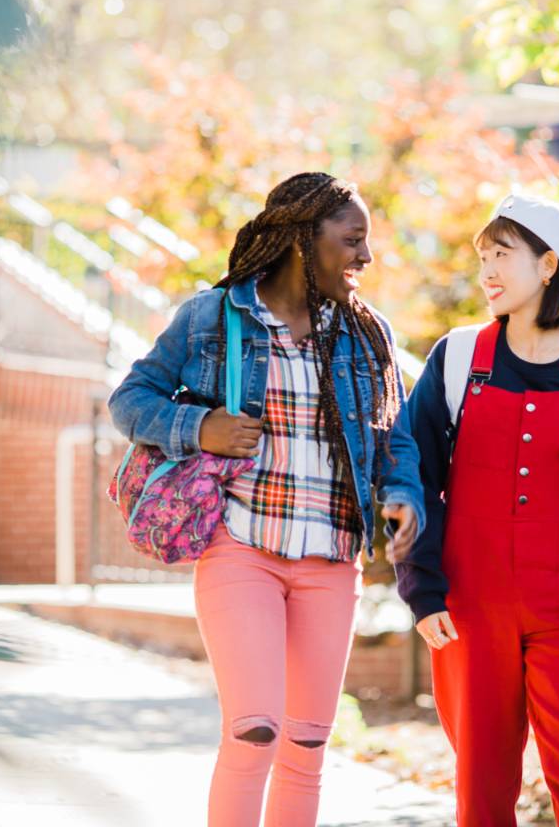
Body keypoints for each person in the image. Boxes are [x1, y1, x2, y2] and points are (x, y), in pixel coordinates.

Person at [108, 172, 425, 827]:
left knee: (306, 744)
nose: (367, 257)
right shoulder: (213, 318)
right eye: (353, 240)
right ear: (303, 241)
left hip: (330, 560)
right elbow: (129, 401)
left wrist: (403, 496)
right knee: (254, 731)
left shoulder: (368, 335)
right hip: (240, 549)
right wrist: (201, 428)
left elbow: (395, 438)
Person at [396, 193, 559, 826]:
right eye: (482, 255)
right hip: (470, 598)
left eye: (502, 255)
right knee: (481, 776)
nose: (486, 270)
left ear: (548, 266)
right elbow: (412, 475)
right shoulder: (457, 358)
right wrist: (423, 590)